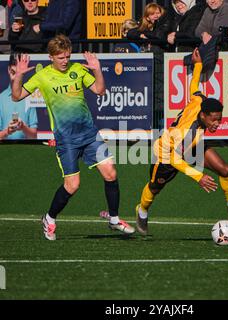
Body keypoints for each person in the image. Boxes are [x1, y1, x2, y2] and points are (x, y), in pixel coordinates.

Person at [11, 34, 135, 240]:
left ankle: (114, 219)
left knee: (111, 174)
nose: (65, 61)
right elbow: (16, 96)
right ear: (51, 57)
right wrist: (19, 75)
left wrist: (97, 69)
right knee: (72, 185)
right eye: (60, 57)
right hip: (66, 139)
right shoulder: (42, 76)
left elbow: (100, 90)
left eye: (67, 56)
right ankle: (50, 219)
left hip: (89, 134)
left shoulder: (77, 70)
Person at [134, 48, 228, 236]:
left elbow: (194, 88)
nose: (217, 123)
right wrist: (198, 177)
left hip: (192, 147)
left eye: (219, 119)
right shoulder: (186, 132)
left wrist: (197, 65)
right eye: (213, 120)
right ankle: (141, 212)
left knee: (225, 170)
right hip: (168, 153)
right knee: (155, 187)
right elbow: (175, 159)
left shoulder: (201, 101)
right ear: (203, 116)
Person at [0, 53, 37, 140]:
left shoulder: (29, 97)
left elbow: (34, 136)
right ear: (9, 69)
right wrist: (7, 132)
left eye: (19, 73)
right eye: (14, 72)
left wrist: (23, 127)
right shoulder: (0, 99)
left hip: (25, 151)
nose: (16, 76)